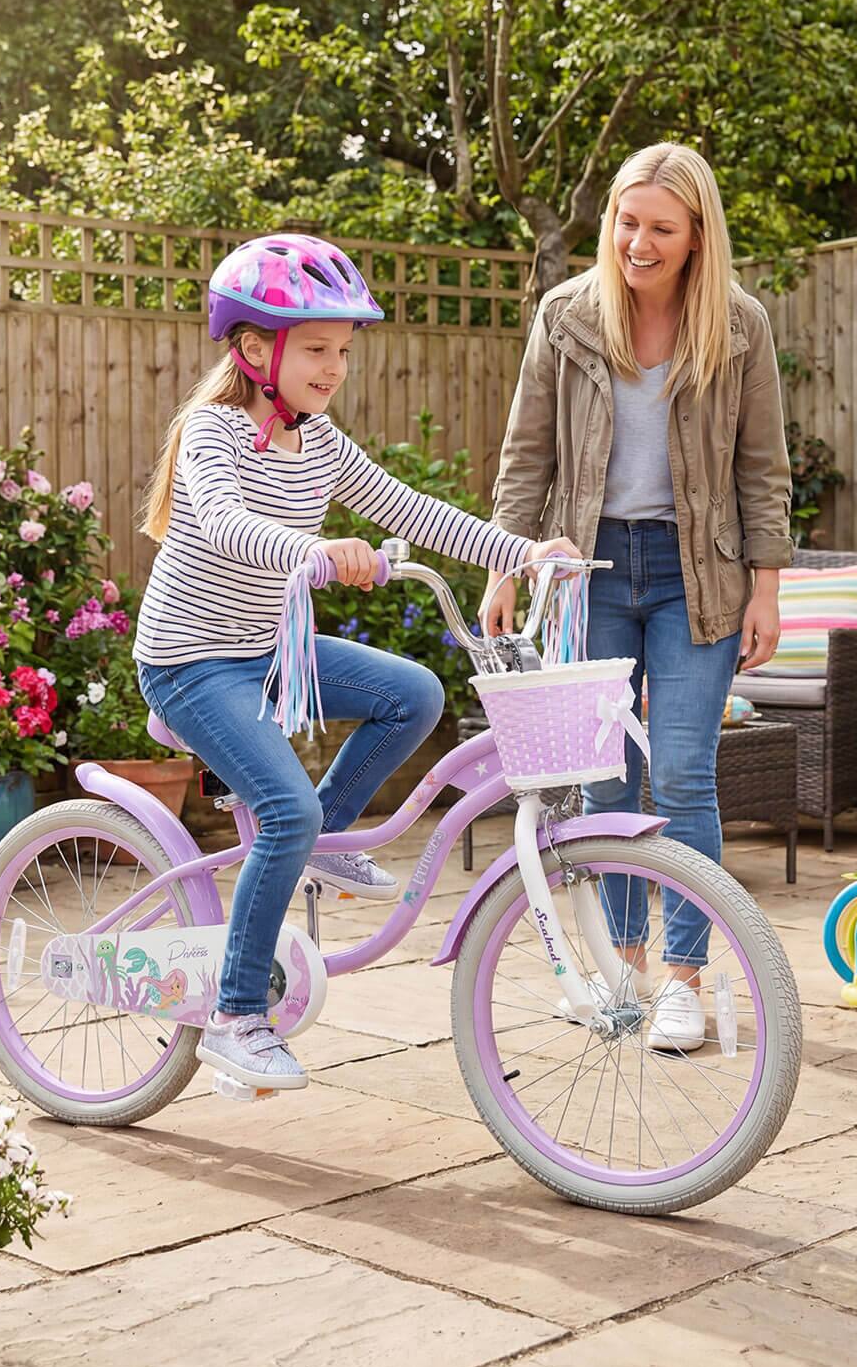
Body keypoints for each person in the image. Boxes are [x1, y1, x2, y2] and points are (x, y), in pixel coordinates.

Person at [136, 232, 576, 1091]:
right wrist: (311, 549)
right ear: (255, 347)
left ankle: (322, 838)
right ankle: (235, 1014)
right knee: (282, 807)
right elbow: (224, 521)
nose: (334, 366)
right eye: (317, 348)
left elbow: (410, 508)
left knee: (412, 692)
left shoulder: (322, 442)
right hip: (191, 663)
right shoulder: (212, 433)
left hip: (269, 650)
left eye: (343, 349)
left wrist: (522, 553)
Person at [482, 143, 793, 1052]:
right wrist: (505, 564)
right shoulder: (566, 316)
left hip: (701, 574)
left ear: (697, 236)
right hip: (590, 575)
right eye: (627, 222)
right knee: (607, 777)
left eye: (661, 228)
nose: (639, 243)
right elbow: (526, 455)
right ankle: (622, 966)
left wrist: (767, 591)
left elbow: (762, 470)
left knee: (686, 772)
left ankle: (684, 979)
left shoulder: (739, 327)